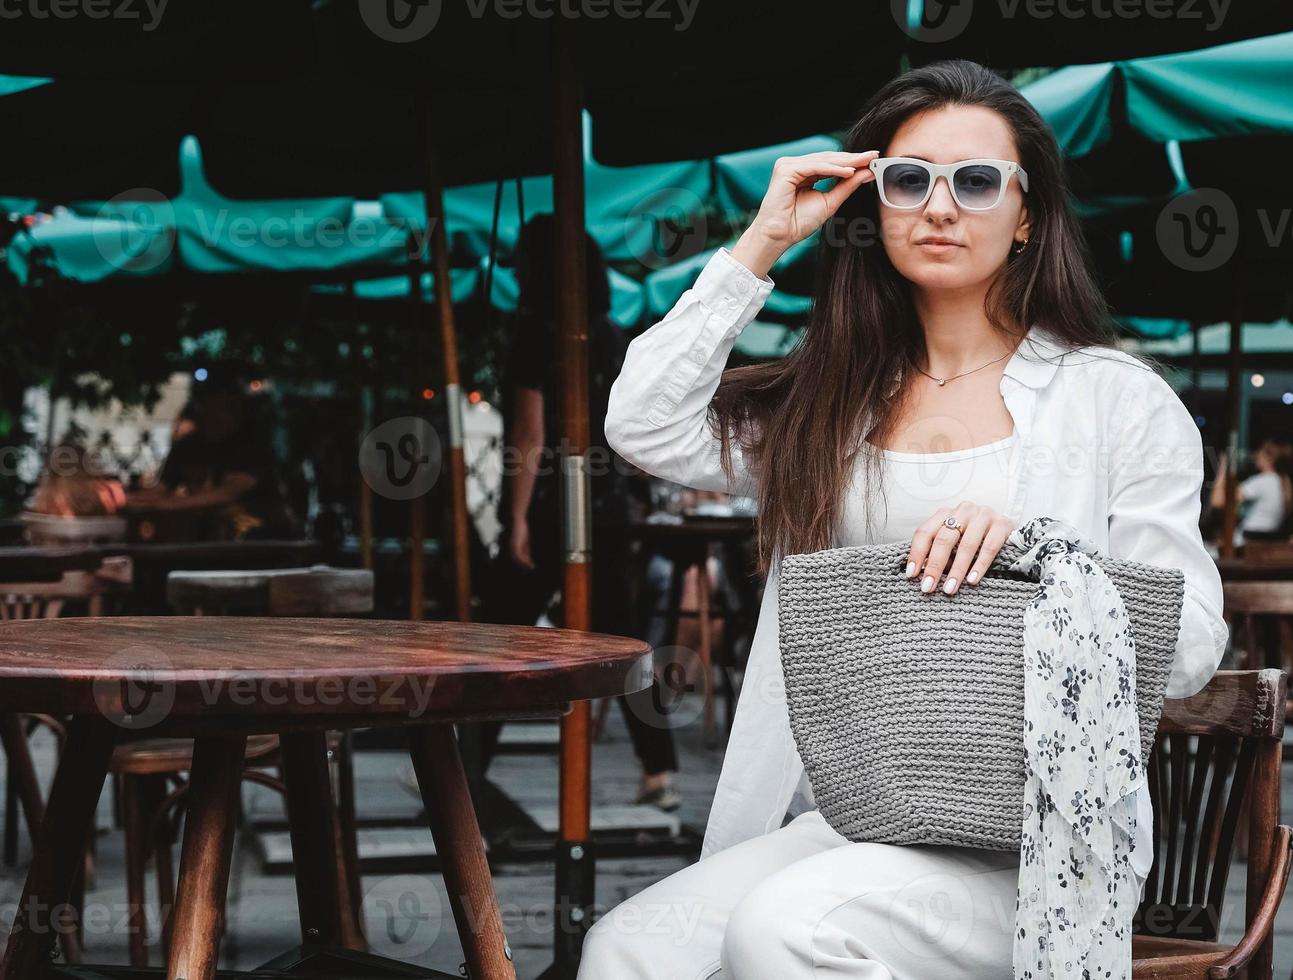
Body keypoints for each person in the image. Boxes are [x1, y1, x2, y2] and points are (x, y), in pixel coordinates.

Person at [583, 60, 1228, 978]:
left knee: (786, 931)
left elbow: (1192, 647)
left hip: (1036, 843)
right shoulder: (830, 405)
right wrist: (762, 241)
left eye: (975, 181)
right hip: (847, 819)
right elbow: (642, 421)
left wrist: (1035, 552)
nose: (939, 206)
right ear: (873, 201)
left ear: (1029, 213)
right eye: (907, 178)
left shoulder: (1118, 403)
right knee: (628, 950)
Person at [474, 214, 681, 811]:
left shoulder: (536, 333)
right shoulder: (612, 335)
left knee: (500, 643)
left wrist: (512, 518)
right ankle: (660, 770)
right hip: (608, 506)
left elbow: (529, 434)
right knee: (624, 643)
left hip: (553, 507)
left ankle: (462, 767)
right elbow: (635, 437)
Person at [126, 376, 297, 541]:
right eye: (217, 403)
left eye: (230, 405)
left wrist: (168, 504)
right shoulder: (187, 446)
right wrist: (132, 499)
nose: (222, 412)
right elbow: (163, 488)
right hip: (211, 539)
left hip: (262, 538)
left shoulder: (250, 445)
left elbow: (229, 491)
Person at [1211, 437, 1293, 545]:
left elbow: (1217, 501)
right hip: (1256, 546)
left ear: (1270, 458)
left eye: (1260, 451)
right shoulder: (1280, 483)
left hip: (1242, 547)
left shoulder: (1263, 481)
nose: (1256, 454)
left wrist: (1223, 467)